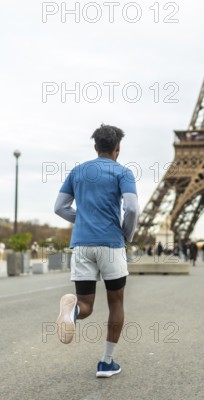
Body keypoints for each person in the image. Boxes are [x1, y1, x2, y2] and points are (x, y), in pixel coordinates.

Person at [54, 124, 139, 378]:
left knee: (86, 305)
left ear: (95, 147)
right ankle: (106, 362)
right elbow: (132, 208)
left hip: (81, 244)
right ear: (118, 148)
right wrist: (126, 234)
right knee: (116, 302)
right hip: (111, 245)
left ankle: (73, 312)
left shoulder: (78, 171)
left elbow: (59, 207)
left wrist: (83, 219)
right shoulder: (123, 172)